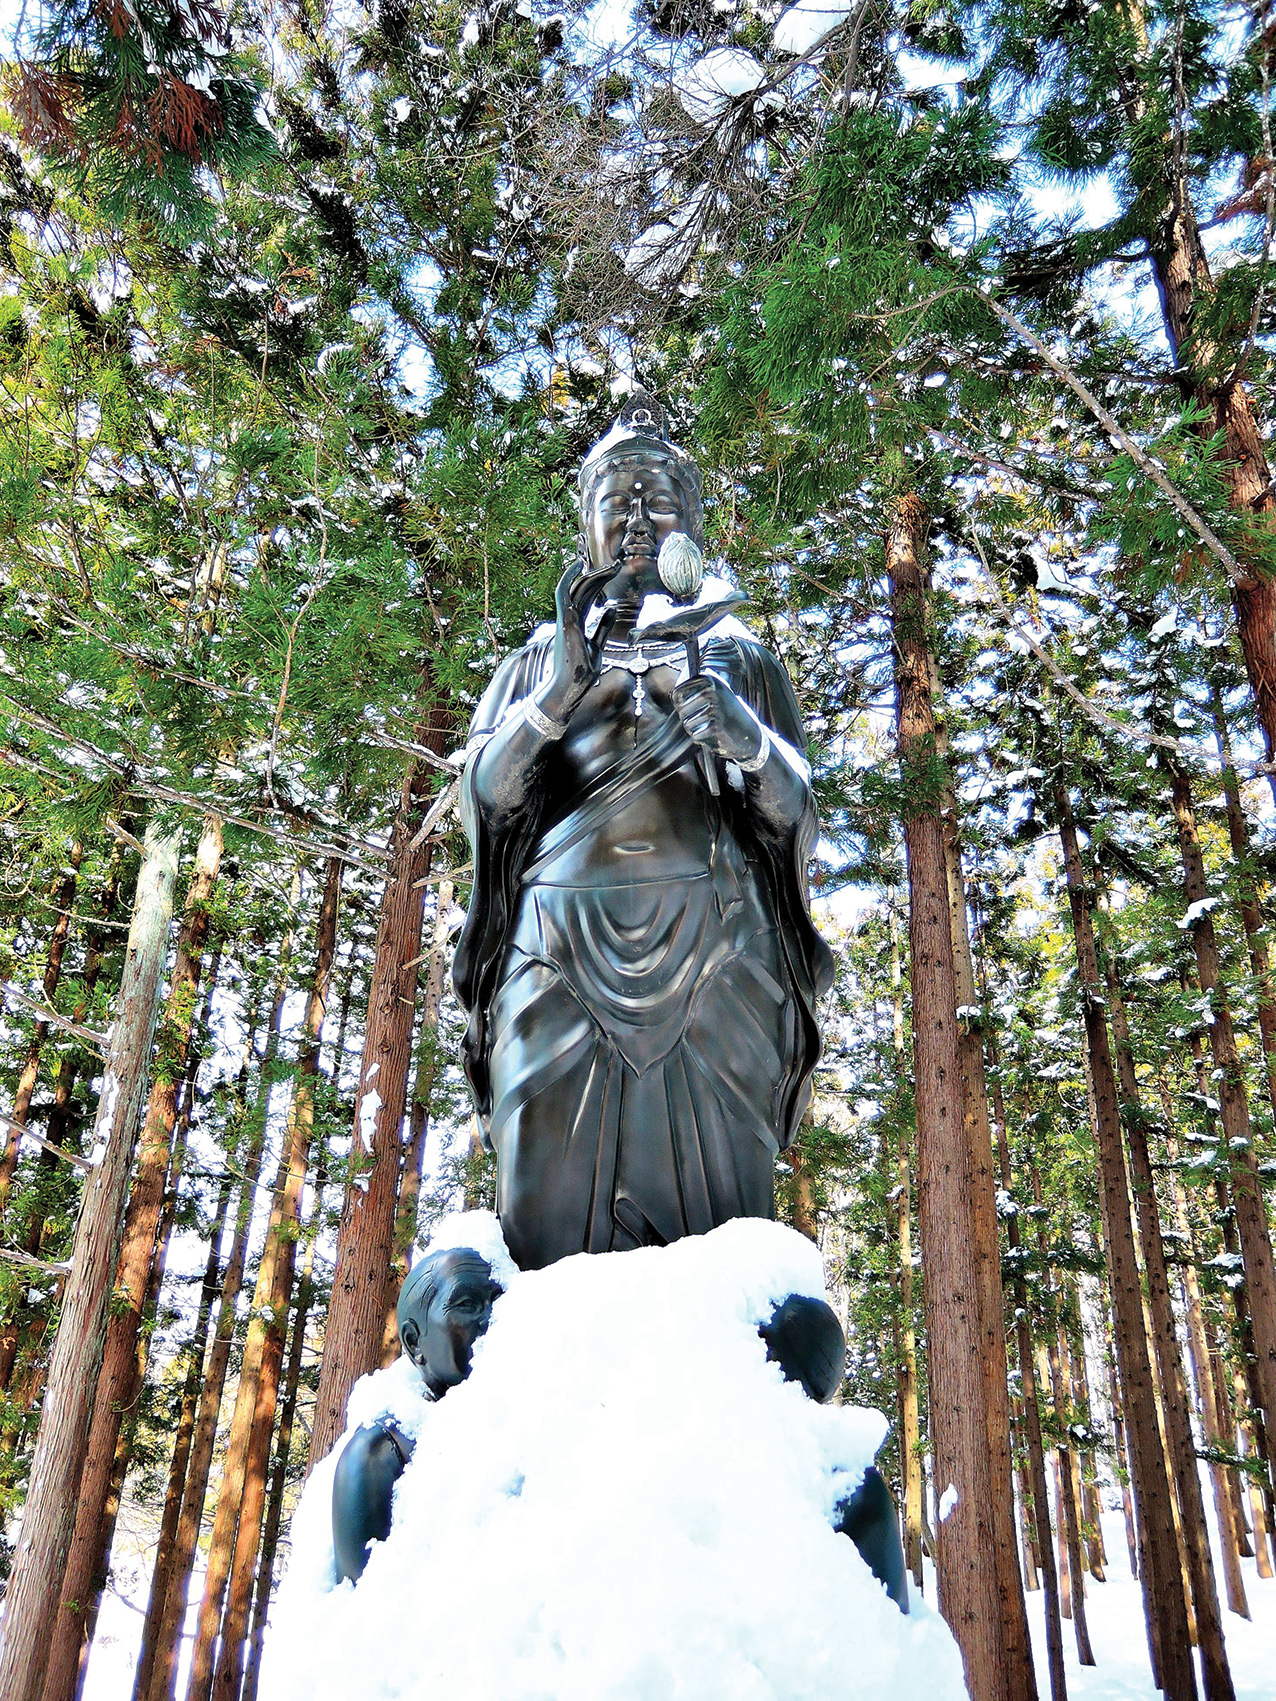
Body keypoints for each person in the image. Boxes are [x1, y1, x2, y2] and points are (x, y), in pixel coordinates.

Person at [453, 393, 834, 1272]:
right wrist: (559, 695)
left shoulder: (741, 658)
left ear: (691, 522)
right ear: (583, 526)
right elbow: (487, 799)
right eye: (614, 500)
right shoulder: (535, 661)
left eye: (657, 499)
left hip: (717, 952)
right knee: (544, 1223)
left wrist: (744, 737)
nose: (635, 519)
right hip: (555, 950)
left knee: (718, 1241)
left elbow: (798, 817)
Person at [331, 1248, 502, 1583]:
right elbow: (360, 1600)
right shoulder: (377, 1453)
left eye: (497, 1301)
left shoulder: (517, 1414)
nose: (491, 1319)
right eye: (467, 1304)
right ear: (414, 1342)